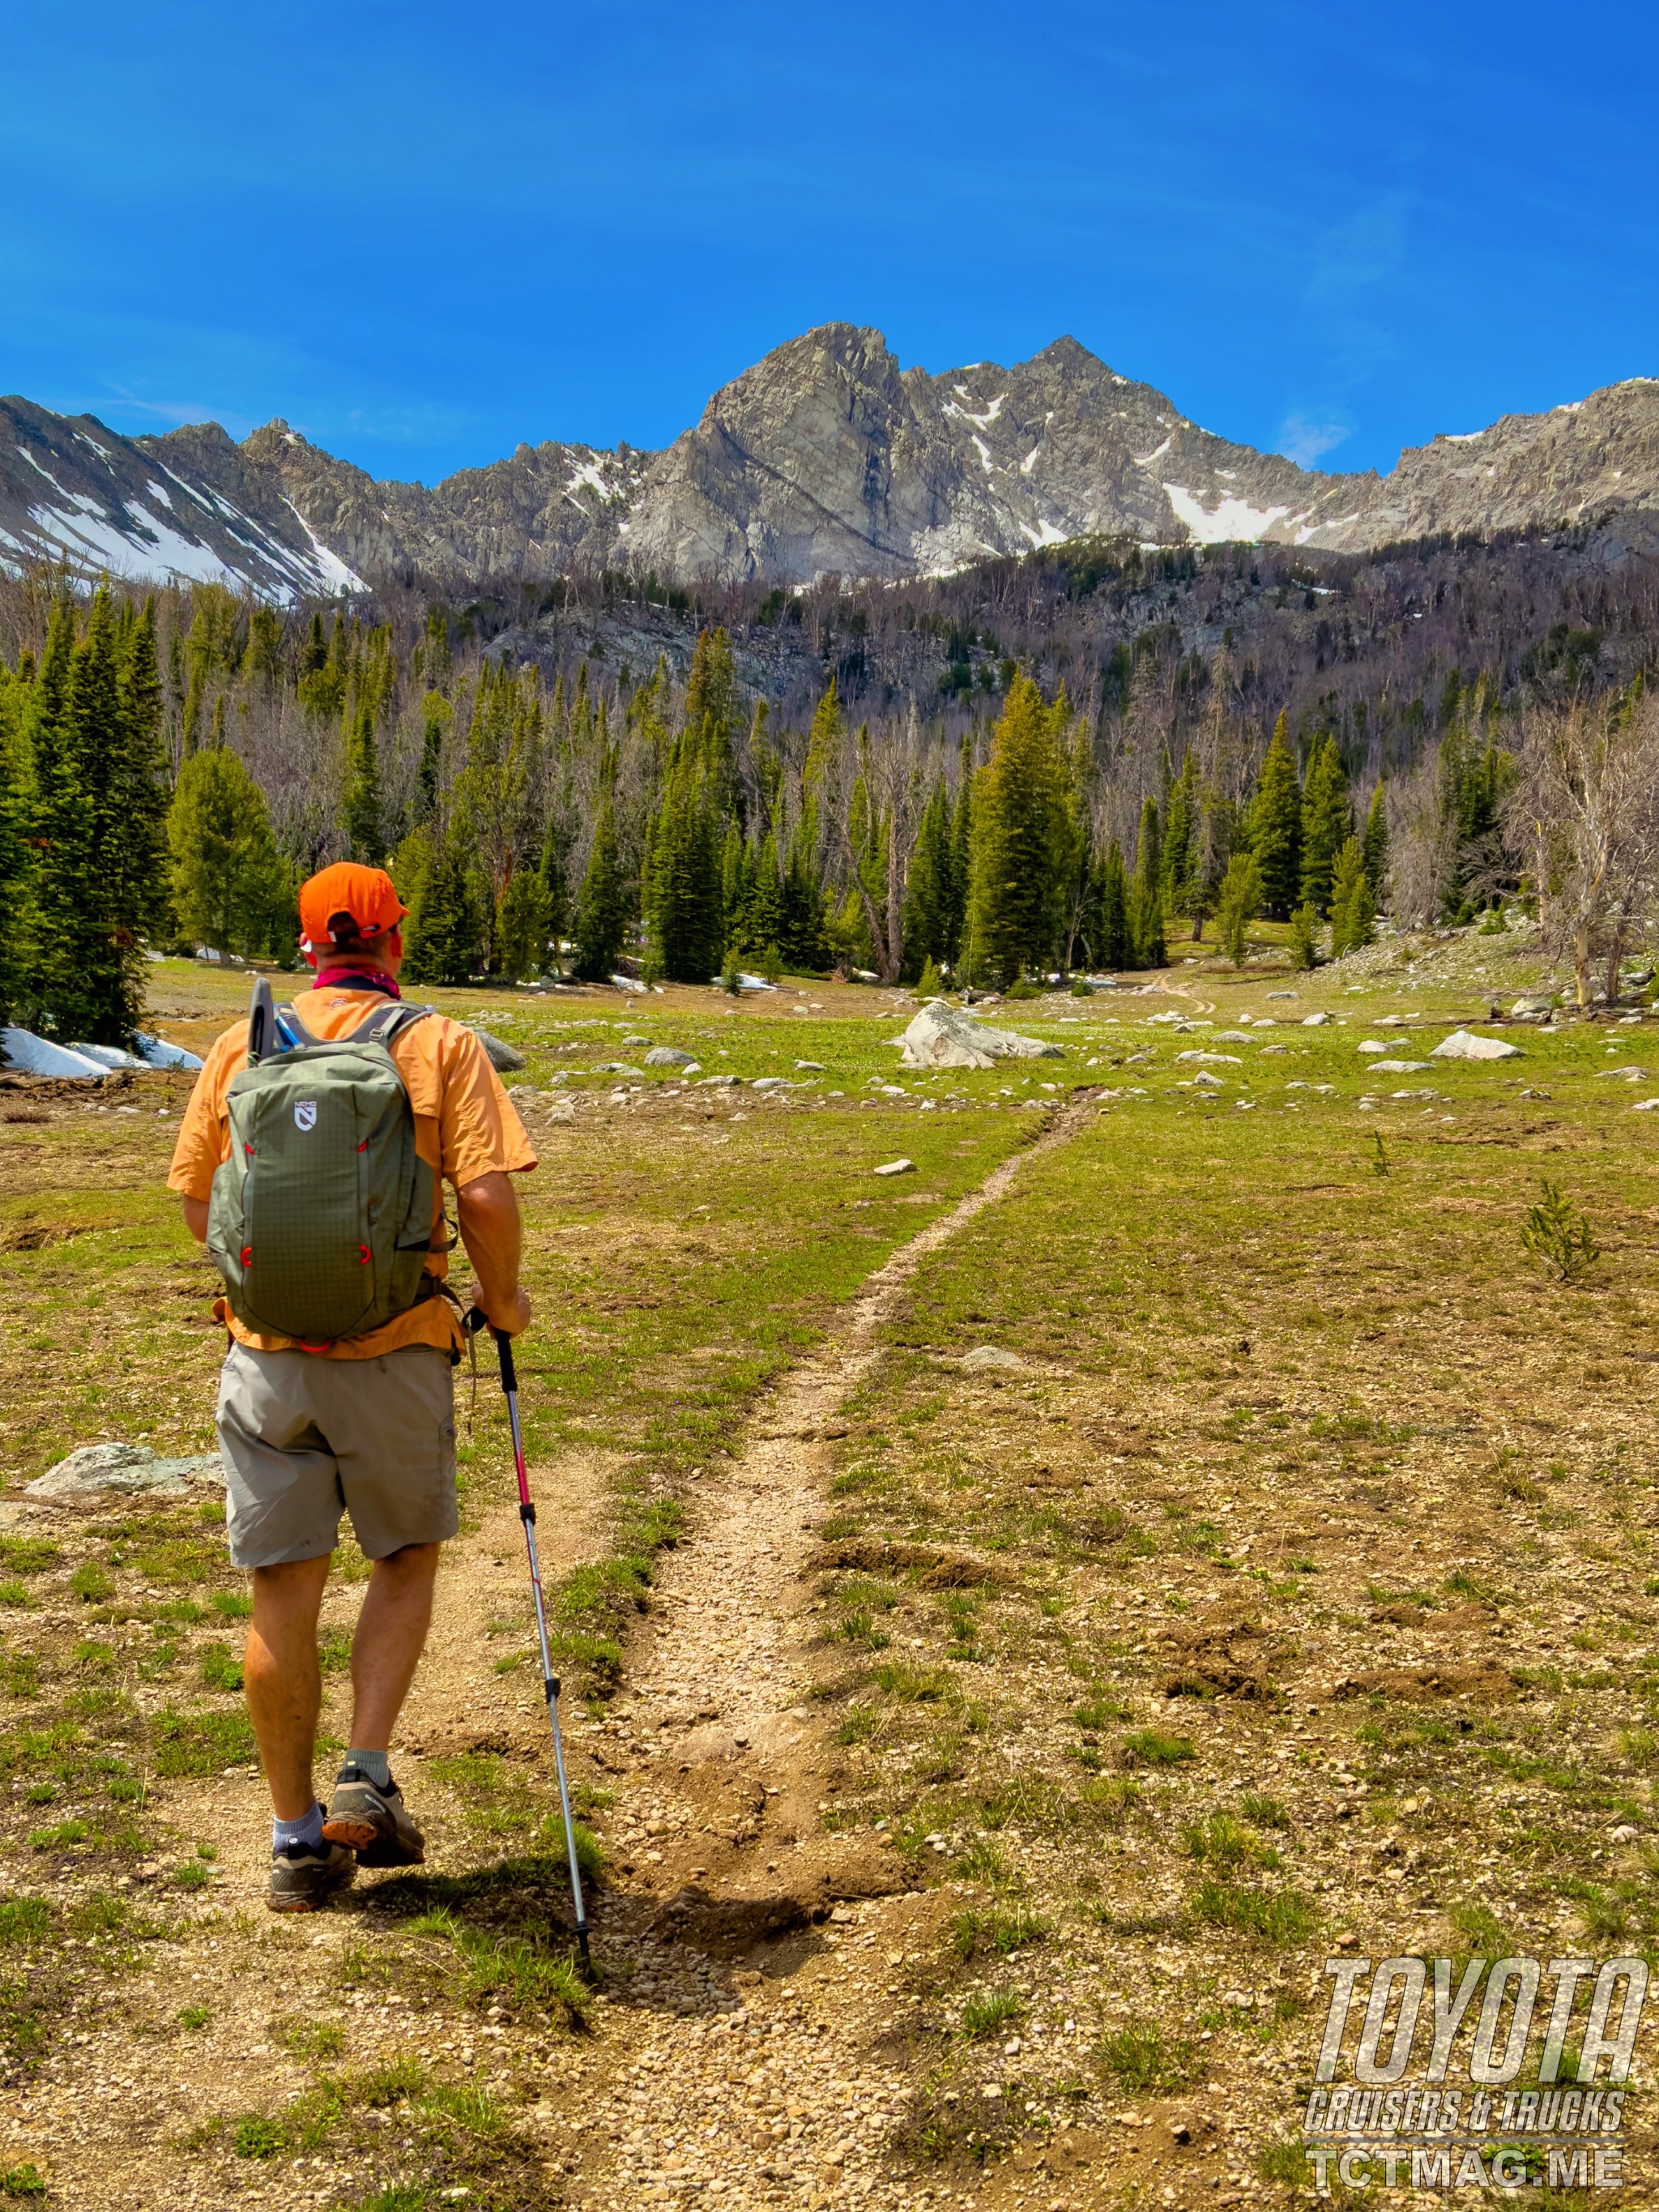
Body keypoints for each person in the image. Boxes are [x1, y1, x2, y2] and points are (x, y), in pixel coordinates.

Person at [167, 861, 535, 1910]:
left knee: (282, 1586)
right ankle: (364, 1773)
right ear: (393, 944)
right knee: (405, 1554)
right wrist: (500, 1299)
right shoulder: (437, 1045)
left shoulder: (244, 1044)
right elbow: (487, 1196)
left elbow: (202, 1210)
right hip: (396, 1350)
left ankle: (294, 1843)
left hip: (266, 1357)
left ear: (308, 945)